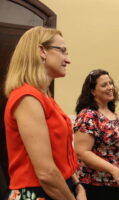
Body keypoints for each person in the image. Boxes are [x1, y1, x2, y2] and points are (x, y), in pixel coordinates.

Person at [4, 26, 86, 200]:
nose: (68, 59)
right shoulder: (27, 97)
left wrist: (77, 185)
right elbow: (46, 173)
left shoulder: (44, 97)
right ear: (42, 51)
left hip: (60, 188)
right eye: (62, 51)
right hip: (39, 193)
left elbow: (60, 159)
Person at [74, 69, 119, 200]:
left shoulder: (112, 113)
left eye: (111, 83)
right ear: (92, 91)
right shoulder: (88, 115)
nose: (110, 87)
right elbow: (81, 152)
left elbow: (106, 142)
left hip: (113, 184)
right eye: (104, 85)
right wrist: (114, 170)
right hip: (94, 185)